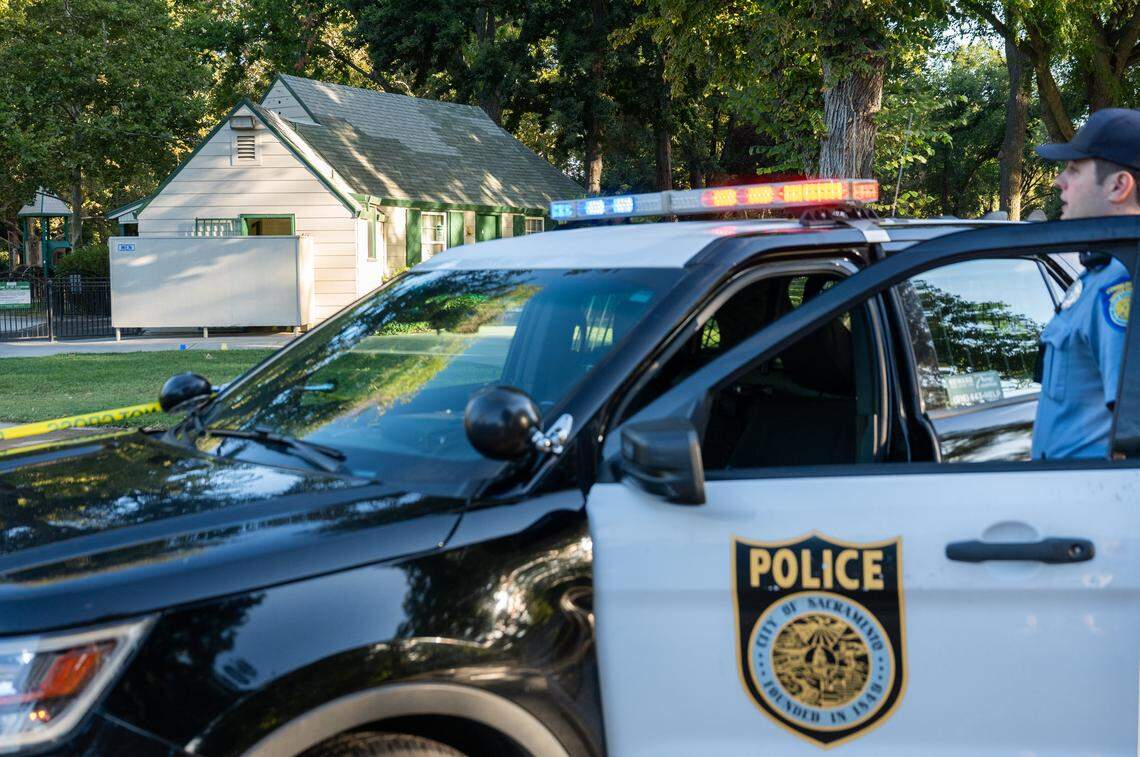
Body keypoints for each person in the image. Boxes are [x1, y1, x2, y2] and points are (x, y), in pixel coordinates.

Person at [1031, 108, 1140, 459]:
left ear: (1119, 185)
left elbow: (1132, 438)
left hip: (1092, 501)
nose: (1059, 181)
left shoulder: (1121, 285)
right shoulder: (1101, 271)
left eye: (1074, 170)